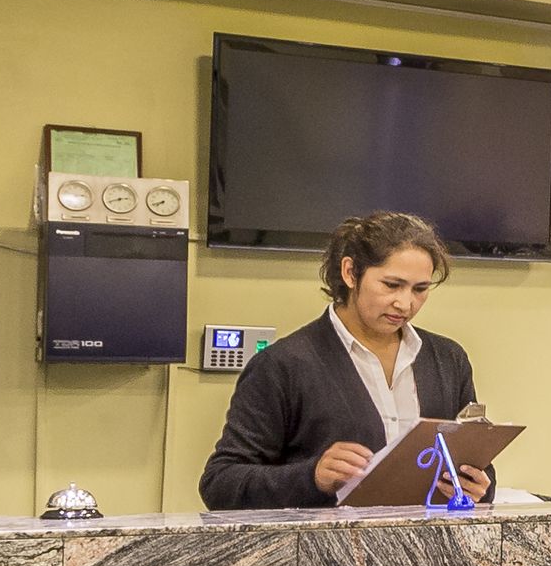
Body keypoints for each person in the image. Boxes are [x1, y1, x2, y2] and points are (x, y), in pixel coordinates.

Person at [200, 212, 483, 509]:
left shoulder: (449, 359)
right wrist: (313, 477)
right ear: (350, 273)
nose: (405, 303)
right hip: (322, 538)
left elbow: (473, 465)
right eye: (391, 285)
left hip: (428, 537)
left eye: (420, 289)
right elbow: (220, 483)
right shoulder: (282, 365)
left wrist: (478, 485)